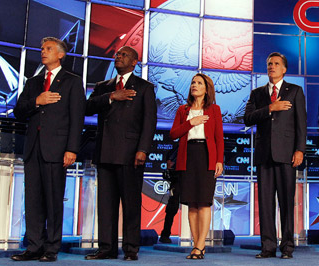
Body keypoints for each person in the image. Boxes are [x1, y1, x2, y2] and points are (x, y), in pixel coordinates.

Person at [12, 37, 86, 262]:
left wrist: (72, 149)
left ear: (61, 54)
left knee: (54, 200)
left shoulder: (72, 81)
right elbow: (18, 111)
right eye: (42, 48)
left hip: (57, 148)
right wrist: (38, 101)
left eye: (49, 49)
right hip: (33, 148)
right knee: (32, 200)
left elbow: (77, 118)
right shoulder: (33, 83)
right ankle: (34, 246)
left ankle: (51, 248)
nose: (43, 52)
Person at [84, 46, 157, 261]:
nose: (118, 57)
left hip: (131, 153)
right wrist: (111, 96)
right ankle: (106, 248)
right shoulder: (103, 87)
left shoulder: (144, 87)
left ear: (135, 62)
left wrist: (143, 149)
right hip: (105, 151)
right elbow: (87, 108)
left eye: (123, 55)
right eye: (117, 54)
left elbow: (149, 122)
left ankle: (131, 248)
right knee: (106, 204)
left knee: (131, 203)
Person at [244, 52, 306, 259]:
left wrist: (300, 150)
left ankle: (287, 246)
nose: (272, 66)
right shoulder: (257, 93)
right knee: (265, 203)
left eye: (276, 64)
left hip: (287, 154)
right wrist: (270, 107)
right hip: (264, 155)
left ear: (284, 69)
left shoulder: (295, 91)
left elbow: (301, 124)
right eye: (269, 63)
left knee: (287, 203)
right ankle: (268, 247)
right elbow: (248, 118)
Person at [169, 73, 224, 259]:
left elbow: (218, 138)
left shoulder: (214, 109)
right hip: (187, 156)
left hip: (207, 156)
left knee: (204, 202)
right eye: (193, 82)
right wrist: (190, 123)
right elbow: (173, 134)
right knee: (191, 203)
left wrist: (219, 161)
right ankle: (196, 244)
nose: (194, 85)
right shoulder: (182, 110)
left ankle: (201, 245)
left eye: (199, 83)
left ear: (206, 88)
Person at [159, 147, 180, 244]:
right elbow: (169, 165)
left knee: (195, 208)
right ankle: (165, 235)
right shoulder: (175, 149)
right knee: (172, 208)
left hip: (190, 179)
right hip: (177, 180)